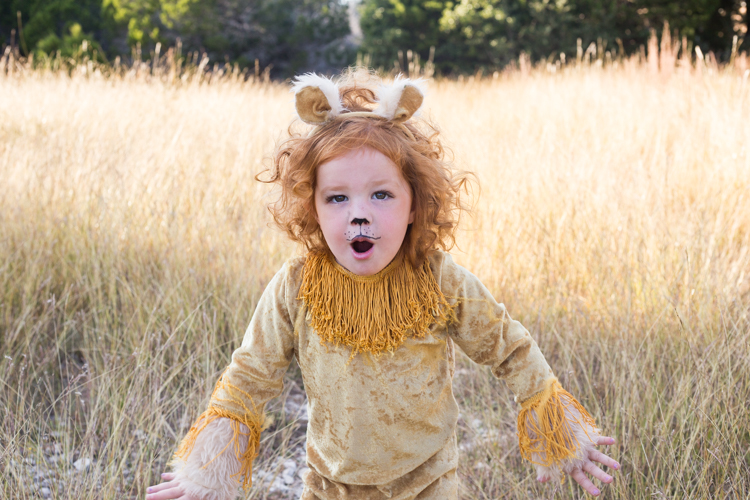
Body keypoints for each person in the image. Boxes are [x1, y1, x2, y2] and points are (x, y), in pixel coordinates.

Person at [145, 72, 619, 500]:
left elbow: (508, 347)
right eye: (337, 197)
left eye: (381, 194)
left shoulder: (436, 277)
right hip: (330, 485)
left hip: (428, 483)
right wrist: (210, 470)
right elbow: (250, 375)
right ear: (313, 207)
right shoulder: (297, 285)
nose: (358, 212)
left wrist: (559, 428)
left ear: (415, 204)